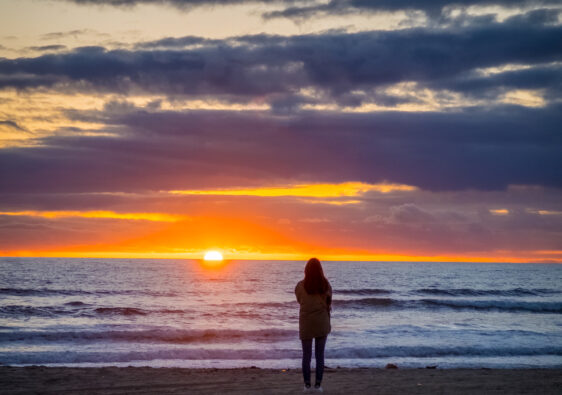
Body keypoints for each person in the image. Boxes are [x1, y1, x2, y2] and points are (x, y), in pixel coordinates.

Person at [295, 257, 332, 393]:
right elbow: (329, 301)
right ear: (320, 270)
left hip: (306, 323)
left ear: (306, 270)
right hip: (322, 322)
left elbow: (300, 300)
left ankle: (306, 385)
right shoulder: (326, 285)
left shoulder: (300, 286)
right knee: (320, 355)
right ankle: (318, 385)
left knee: (306, 355)